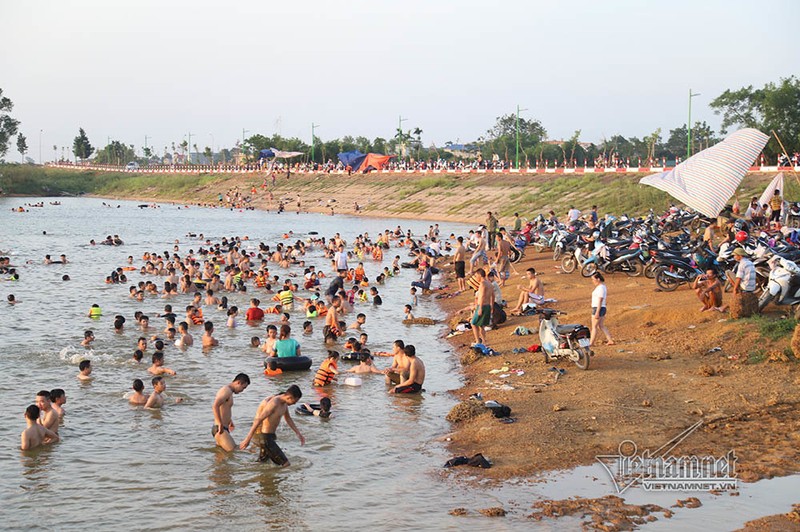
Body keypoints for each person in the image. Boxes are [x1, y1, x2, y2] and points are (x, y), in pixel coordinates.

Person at [239, 385, 305, 466]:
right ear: (289, 397)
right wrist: (247, 439)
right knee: (286, 464)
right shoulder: (274, 403)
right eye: (294, 401)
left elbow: (288, 419)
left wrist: (298, 433)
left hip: (271, 437)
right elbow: (258, 419)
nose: (294, 404)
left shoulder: (284, 404)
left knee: (262, 463)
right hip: (266, 439)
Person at [212, 373, 251, 452]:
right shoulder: (226, 391)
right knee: (233, 452)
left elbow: (223, 408)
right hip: (220, 429)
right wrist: (220, 424)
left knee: (221, 458)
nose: (242, 391)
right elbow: (215, 406)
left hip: (222, 428)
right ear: (238, 382)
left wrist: (229, 420)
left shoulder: (229, 391)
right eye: (243, 388)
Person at [731, 247, 758, 317]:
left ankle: (738, 291)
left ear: (740, 256)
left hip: (745, 286)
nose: (734, 257)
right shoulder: (750, 262)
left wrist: (734, 289)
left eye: (735, 255)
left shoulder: (742, 264)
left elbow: (738, 278)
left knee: (728, 272)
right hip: (752, 287)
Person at [589, 273, 614, 346]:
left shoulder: (600, 288)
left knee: (594, 327)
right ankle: (610, 340)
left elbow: (600, 300)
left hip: (598, 308)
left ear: (598, 279)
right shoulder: (602, 287)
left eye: (593, 279)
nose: (593, 281)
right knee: (601, 325)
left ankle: (591, 343)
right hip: (601, 307)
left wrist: (597, 312)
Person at [470, 269, 492, 346]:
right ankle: (484, 341)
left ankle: (478, 341)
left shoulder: (482, 284)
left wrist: (480, 308)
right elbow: (492, 296)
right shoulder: (489, 283)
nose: (476, 278)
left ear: (479, 275)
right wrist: (491, 306)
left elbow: (482, 296)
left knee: (473, 324)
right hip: (487, 305)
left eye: (476, 276)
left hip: (482, 306)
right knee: (481, 325)